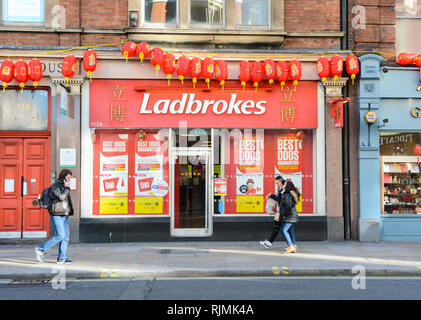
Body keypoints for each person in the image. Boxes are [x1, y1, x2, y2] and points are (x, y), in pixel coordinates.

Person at [35, 169, 74, 264]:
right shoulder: (55, 186)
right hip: (56, 215)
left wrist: (70, 211)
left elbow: (67, 201)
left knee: (66, 237)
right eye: (68, 178)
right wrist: (67, 188)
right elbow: (61, 197)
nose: (69, 180)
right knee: (60, 235)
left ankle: (61, 258)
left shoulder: (64, 187)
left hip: (64, 215)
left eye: (70, 179)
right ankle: (41, 249)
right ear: (63, 177)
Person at [259, 176, 285, 249]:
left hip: (282, 212)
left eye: (277, 183)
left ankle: (292, 244)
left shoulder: (283, 189)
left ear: (281, 181)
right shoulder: (280, 189)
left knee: (285, 230)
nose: (276, 184)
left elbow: (280, 200)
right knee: (277, 228)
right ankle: (269, 243)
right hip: (279, 212)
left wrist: (271, 195)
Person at [279, 180, 300, 253]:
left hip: (290, 214)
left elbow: (288, 206)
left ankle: (291, 246)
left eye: (284, 184)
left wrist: (284, 214)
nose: (283, 185)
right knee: (290, 231)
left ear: (287, 186)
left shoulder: (287, 194)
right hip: (292, 213)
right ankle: (293, 246)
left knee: (283, 230)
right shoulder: (290, 193)